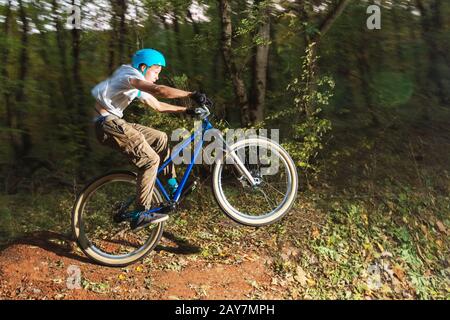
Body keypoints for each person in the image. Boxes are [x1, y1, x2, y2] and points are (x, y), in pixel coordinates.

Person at [91, 48, 208, 230]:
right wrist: (190, 94)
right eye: (155, 71)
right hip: (107, 123)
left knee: (160, 138)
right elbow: (159, 91)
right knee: (150, 160)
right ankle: (140, 213)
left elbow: (158, 105)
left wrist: (186, 110)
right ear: (143, 67)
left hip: (115, 122)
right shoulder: (129, 74)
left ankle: (172, 186)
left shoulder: (135, 85)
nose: (157, 76)